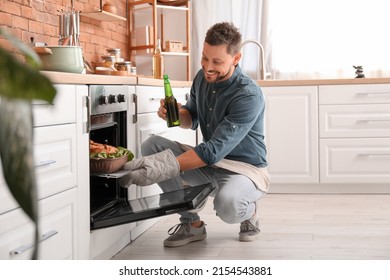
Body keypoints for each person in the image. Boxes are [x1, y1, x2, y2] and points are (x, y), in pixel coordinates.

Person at [123, 21, 270, 247]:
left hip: (243, 169)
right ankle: (191, 224)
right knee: (152, 145)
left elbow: (212, 150)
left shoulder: (248, 95)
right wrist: (174, 114)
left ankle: (249, 213)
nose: (208, 67)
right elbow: (191, 118)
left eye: (217, 61)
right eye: (204, 58)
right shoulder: (202, 78)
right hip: (210, 164)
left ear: (236, 59)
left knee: (228, 206)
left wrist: (160, 167)